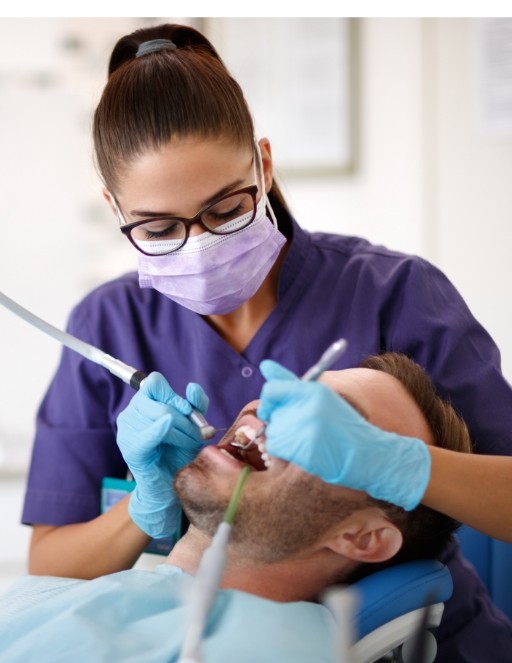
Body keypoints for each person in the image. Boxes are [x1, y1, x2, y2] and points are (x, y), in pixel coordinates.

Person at [20, 21, 512, 662]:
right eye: (161, 227)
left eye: (226, 209)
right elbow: (50, 563)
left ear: (264, 164)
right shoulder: (108, 324)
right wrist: (146, 508)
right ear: (116, 208)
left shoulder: (394, 292)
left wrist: (398, 462)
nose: (200, 245)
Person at [2, 354, 471, 662]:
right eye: (292, 391)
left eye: (331, 421)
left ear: (362, 536)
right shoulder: (66, 595)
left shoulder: (271, 649)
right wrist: (143, 504)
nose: (263, 407)